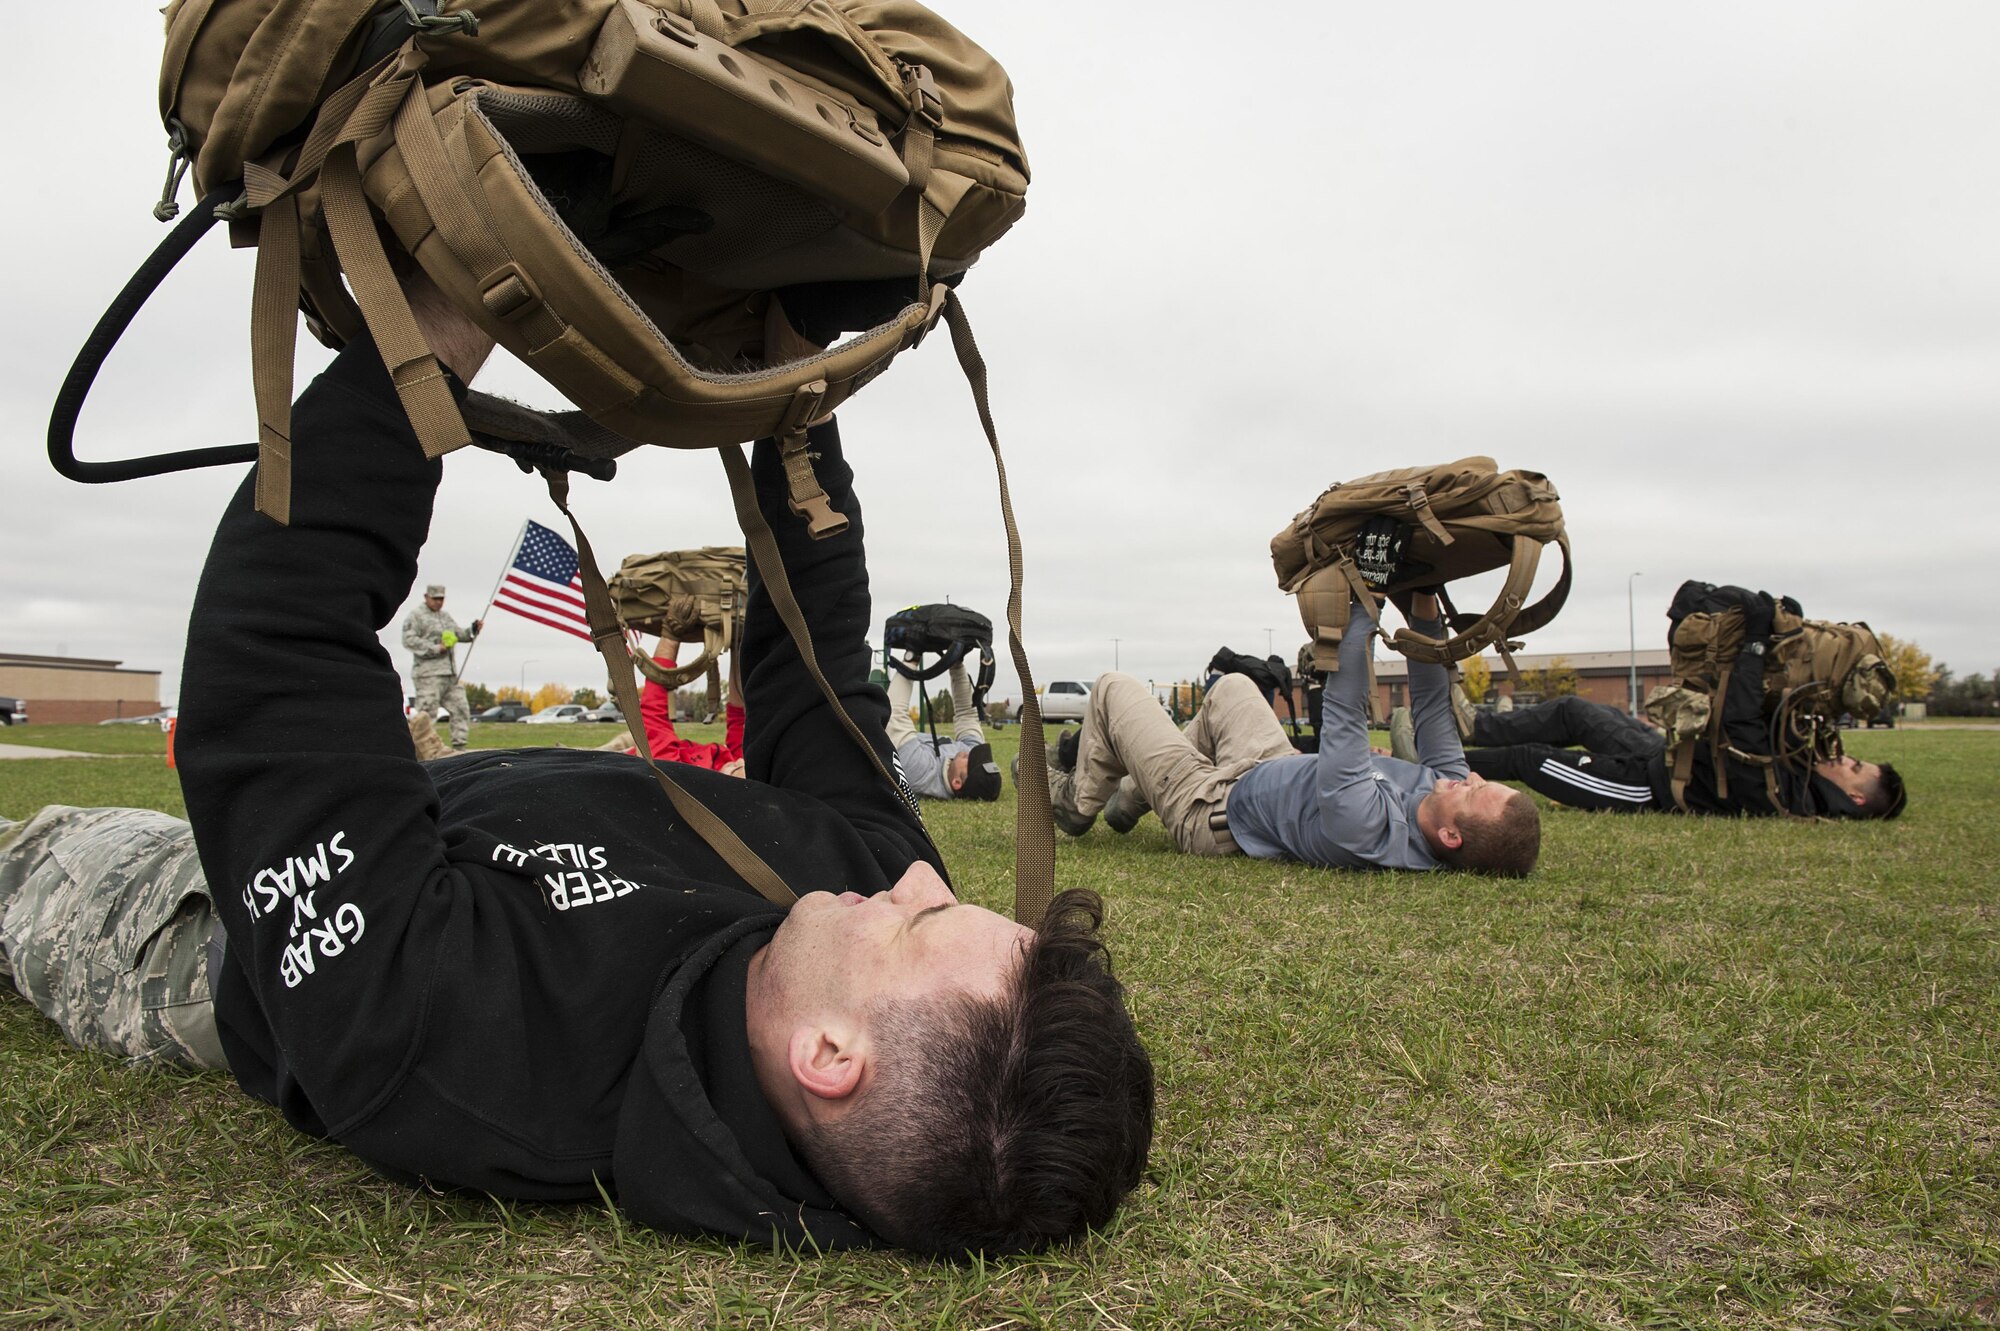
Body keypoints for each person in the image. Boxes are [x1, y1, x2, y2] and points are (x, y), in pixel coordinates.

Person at [0, 271, 1151, 1257]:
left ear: (830, 1054)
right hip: (446, 807)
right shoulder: (864, 881)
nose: (915, 881)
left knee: (31, 855)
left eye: (911, 926)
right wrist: (794, 402)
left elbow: (275, 664)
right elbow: (816, 675)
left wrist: (438, 327)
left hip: (210, 925)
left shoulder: (462, 1054)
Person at [1049, 592, 1541, 877]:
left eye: (1475, 792)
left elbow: (1345, 709)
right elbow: (1434, 706)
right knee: (1235, 687)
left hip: (1211, 811)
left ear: (1452, 836)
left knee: (1113, 689)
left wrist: (1365, 595)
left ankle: (1077, 804)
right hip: (1269, 766)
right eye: (1481, 780)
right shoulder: (1445, 792)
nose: (1470, 775)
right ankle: (1135, 792)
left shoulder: (1368, 829)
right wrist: (1424, 605)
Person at [1460, 589, 1906, 820]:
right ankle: (1468, 726)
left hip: (1651, 789)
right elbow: (1769, 710)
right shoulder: (1803, 770)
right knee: (1573, 710)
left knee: (1531, 760)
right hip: (1665, 754)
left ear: (1853, 798)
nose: (1845, 758)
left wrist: (1751, 648)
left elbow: (1740, 723)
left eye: (1853, 768)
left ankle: (1435, 761)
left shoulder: (1794, 798)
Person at [603, 635, 746, 776]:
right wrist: (739, 643)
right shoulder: (736, 764)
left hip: (623, 759)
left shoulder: (680, 778)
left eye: (737, 769)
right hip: (652, 744)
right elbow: (738, 715)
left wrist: (671, 635)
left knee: (598, 756)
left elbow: (654, 716)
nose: (740, 761)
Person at [886, 658, 1002, 801]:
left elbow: (894, 715)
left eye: (971, 762)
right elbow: (966, 714)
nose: (969, 754)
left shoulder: (921, 774)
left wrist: (912, 658)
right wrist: (957, 664)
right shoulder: (966, 756)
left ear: (957, 783)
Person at [400, 584, 480, 750]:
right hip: (428, 674)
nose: (438, 602)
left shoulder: (445, 617)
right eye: (435, 598)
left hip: (450, 674)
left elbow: (460, 635)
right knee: (426, 715)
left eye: (441, 599)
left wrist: (473, 630)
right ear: (426, 597)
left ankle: (459, 747)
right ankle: (417, 750)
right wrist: (436, 648)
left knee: (460, 708)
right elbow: (408, 640)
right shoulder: (416, 616)